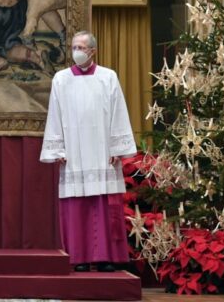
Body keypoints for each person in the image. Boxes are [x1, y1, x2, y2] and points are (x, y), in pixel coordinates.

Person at [39, 31, 136, 272]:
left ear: (92, 51)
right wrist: (58, 148)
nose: (76, 52)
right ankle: (79, 257)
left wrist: (116, 146)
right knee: (77, 206)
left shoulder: (108, 77)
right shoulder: (61, 79)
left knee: (102, 205)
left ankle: (104, 257)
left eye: (81, 47)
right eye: (73, 47)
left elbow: (118, 111)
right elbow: (55, 115)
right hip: (73, 151)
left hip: (102, 150)